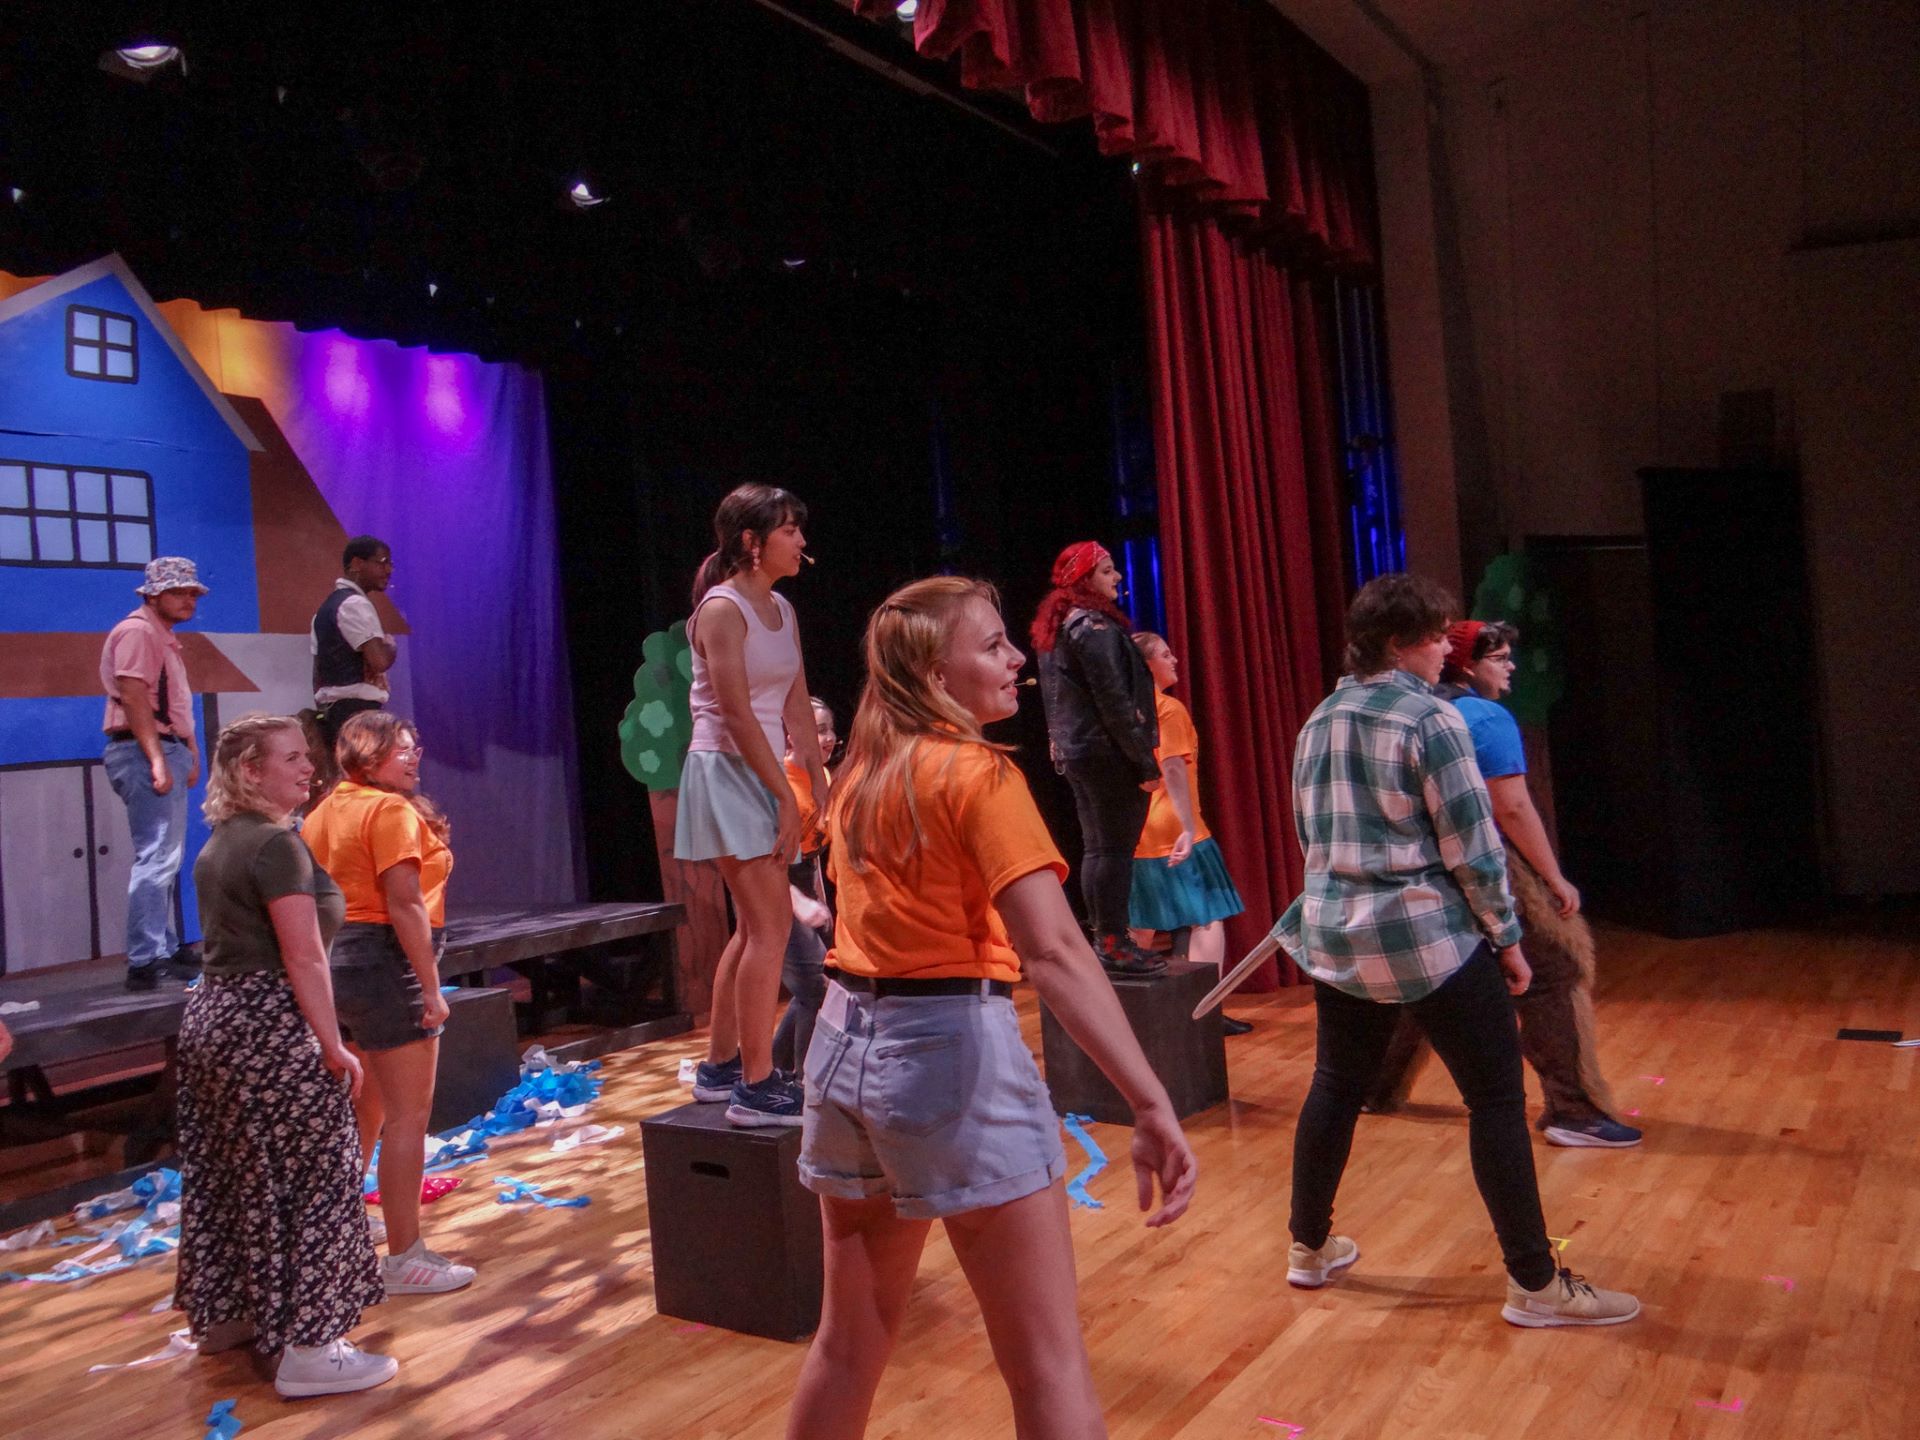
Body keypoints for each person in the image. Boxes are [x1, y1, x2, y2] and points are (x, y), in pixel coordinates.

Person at [786, 576, 1198, 1439]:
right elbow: (1055, 953)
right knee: (1048, 1363)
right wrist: (1150, 1101)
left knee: (847, 1344)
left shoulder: (862, 773)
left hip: (840, 1053)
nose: (1019, 660)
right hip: (949, 1061)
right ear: (936, 675)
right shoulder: (977, 775)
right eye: (993, 645)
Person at [1275, 574, 1638, 1328]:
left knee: (1335, 1085)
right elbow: (1472, 848)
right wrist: (1507, 938)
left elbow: (1311, 835)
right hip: (1425, 938)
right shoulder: (1431, 720)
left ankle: (1308, 1248)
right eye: (1438, 636)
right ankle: (1536, 1284)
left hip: (1338, 936)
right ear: (1399, 643)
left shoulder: (1320, 717)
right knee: (1496, 1100)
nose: (1448, 648)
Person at [174, 713, 397, 1398]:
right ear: (250, 770)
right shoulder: (275, 845)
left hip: (214, 1020)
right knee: (319, 1176)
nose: (309, 768)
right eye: (293, 758)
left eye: (308, 756)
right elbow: (303, 956)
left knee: (239, 1173)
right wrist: (332, 1044)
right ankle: (312, 1347)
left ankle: (234, 1316)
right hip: (267, 1025)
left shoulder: (222, 842)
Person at [1367, 622, 1638, 1147]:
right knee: (1554, 972)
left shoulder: (1404, 712)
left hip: (1414, 867)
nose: (1510, 666)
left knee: (1427, 975)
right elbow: (1509, 807)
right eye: (1499, 658)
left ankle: (1372, 1086)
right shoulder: (1484, 717)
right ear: (1465, 664)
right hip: (1484, 863)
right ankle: (1573, 1110)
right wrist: (1552, 877)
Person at [302, 711, 474, 1296]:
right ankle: (404, 1257)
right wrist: (430, 987)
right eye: (402, 748)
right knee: (408, 1116)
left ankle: (343, 1230)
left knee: (368, 1109)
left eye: (414, 746)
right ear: (368, 754)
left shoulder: (322, 812)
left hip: (339, 965)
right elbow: (405, 903)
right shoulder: (389, 811)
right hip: (385, 962)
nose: (414, 756)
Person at [678, 484, 829, 1126]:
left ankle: (719, 1069)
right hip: (727, 770)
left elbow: (795, 698)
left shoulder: (782, 608)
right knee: (770, 928)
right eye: (789, 529)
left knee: (751, 928)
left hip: (762, 770)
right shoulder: (722, 609)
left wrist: (816, 776)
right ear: (752, 540)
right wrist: (783, 795)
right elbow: (737, 715)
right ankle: (756, 1085)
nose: (801, 541)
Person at [1032, 542, 1164, 979]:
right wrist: (1144, 762)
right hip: (1107, 753)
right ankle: (1113, 944)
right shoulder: (1093, 626)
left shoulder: (1063, 625)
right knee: (1114, 851)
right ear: (1085, 578)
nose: (1118, 577)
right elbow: (1114, 699)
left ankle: (1106, 940)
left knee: (1099, 849)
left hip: (1080, 753)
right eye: (1107, 570)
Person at [1125, 632, 1250, 1034]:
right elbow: (1174, 767)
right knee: (1207, 918)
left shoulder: (1123, 711)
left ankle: (1126, 1018)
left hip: (1138, 829)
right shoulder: (1168, 709)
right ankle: (1203, 1015)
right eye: (1165, 654)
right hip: (1177, 827)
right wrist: (1189, 824)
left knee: (1140, 925)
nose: (1175, 659)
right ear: (1147, 666)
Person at [99, 556, 208, 992]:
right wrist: (157, 757)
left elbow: (173, 703)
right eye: (178, 592)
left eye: (192, 593)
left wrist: (189, 750)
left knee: (164, 855)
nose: (188, 600)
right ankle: (146, 958)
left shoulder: (160, 636)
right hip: (144, 748)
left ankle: (162, 945)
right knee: (157, 855)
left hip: (163, 745)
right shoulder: (139, 631)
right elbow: (133, 694)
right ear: (153, 594)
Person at [773, 697, 837, 1076]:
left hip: (804, 887)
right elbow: (764, 863)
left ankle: (777, 1068)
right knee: (817, 988)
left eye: (830, 729)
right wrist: (799, 902)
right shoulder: (779, 785)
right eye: (819, 731)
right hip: (775, 890)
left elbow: (814, 853)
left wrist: (819, 900)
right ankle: (803, 1083)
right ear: (790, 736)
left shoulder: (822, 777)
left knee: (819, 984)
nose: (828, 739)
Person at [311, 536, 397, 754]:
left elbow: (317, 674)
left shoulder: (324, 611)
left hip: (335, 713)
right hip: (358, 713)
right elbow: (379, 661)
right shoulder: (355, 604)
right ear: (357, 563)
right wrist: (390, 646)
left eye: (391, 564)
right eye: (382, 562)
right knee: (368, 772)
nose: (388, 570)